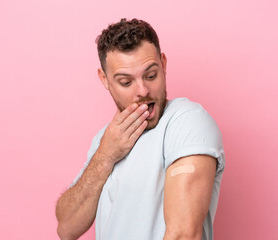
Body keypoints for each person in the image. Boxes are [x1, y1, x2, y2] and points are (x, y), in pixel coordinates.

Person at [56, 18, 225, 240]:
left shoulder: (186, 122)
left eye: (151, 75)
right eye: (126, 82)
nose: (143, 90)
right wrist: (106, 155)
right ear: (105, 80)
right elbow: (66, 228)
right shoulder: (106, 140)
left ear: (163, 64)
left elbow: (183, 234)